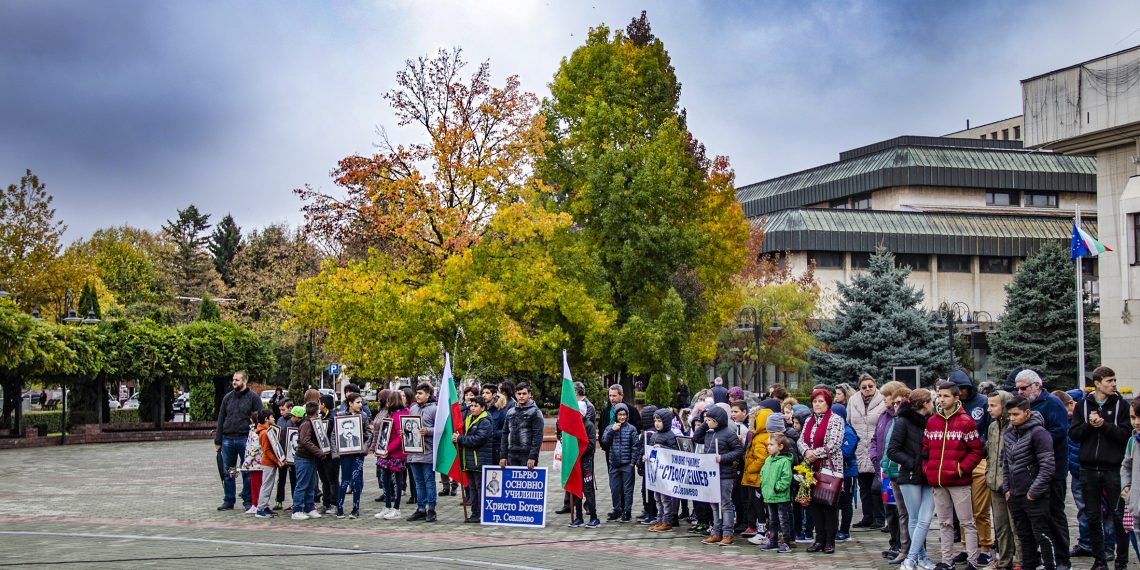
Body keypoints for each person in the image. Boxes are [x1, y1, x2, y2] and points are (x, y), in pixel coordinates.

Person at [1070, 365, 1130, 570]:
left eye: (1114, 381)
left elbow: (1124, 435)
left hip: (1113, 468)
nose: (1113, 384)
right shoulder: (1082, 406)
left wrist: (1104, 425)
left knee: (1118, 515)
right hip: (1088, 468)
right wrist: (1089, 424)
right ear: (1097, 383)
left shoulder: (1122, 405)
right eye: (1109, 381)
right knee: (1092, 516)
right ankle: (1099, 560)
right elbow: (1075, 434)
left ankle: (1121, 561)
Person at [1015, 368, 1072, 570]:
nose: (1020, 392)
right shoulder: (1022, 404)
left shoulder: (1053, 403)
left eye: (1023, 388)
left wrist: (1035, 439)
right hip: (1029, 471)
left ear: (1037, 385)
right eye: (1018, 389)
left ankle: (1063, 559)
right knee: (1037, 517)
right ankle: (1040, 557)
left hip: (1053, 469)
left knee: (1055, 514)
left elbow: (1060, 431)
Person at [925, 380, 984, 570]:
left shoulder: (966, 422)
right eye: (939, 396)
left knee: (967, 522)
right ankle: (947, 561)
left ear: (956, 398)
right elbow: (925, 450)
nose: (941, 400)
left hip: (959, 481)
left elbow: (976, 451)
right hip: (938, 481)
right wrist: (928, 469)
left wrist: (961, 468)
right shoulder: (932, 422)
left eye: (946, 396)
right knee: (944, 523)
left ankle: (973, 561)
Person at [1003, 395, 1057, 570]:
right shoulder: (1010, 432)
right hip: (1015, 494)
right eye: (1009, 415)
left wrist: (1033, 492)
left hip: (1034, 495)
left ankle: (1050, 566)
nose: (1012, 418)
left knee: (1042, 534)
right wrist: (1007, 489)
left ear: (1027, 413)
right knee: (1024, 536)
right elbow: (1005, 463)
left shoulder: (1039, 433)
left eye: (1015, 414)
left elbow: (1047, 466)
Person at [949, 369, 994, 567]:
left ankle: (985, 547)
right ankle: (967, 547)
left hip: (979, 460)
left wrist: (976, 444)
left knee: (980, 509)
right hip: (958, 461)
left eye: (963, 389)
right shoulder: (952, 406)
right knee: (963, 510)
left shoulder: (982, 403)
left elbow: (989, 431)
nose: (961, 393)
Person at [891, 389, 936, 570]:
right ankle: (916, 558)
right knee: (916, 518)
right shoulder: (903, 422)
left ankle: (914, 558)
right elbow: (892, 450)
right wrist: (914, 463)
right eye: (932, 401)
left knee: (924, 519)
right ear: (924, 403)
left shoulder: (930, 422)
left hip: (929, 474)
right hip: (910, 475)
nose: (934, 404)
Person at [798, 388, 845, 554]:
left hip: (829, 468)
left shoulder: (836, 420)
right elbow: (801, 440)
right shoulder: (809, 420)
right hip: (811, 469)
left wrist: (814, 453)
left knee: (829, 504)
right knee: (815, 504)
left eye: (821, 401)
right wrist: (806, 452)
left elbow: (835, 443)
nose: (817, 404)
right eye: (815, 401)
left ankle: (829, 541)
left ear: (828, 403)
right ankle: (819, 540)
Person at [695, 404, 745, 546]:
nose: (707, 422)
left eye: (710, 420)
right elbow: (696, 438)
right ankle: (716, 532)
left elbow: (738, 450)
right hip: (711, 475)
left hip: (725, 475)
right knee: (714, 504)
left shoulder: (729, 433)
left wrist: (722, 458)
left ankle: (727, 533)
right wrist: (705, 425)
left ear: (718, 421)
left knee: (725, 504)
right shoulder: (709, 432)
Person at [213, 370, 264, 511]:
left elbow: (260, 418)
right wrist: (218, 440)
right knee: (230, 472)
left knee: (247, 471)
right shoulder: (227, 398)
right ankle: (229, 500)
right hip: (228, 439)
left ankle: (248, 501)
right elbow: (221, 418)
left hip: (245, 440)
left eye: (237, 380)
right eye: (233, 379)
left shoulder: (253, 398)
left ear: (245, 381)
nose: (234, 382)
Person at [986, 390, 1021, 570]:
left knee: (1016, 525)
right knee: (1001, 526)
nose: (989, 409)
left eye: (993, 405)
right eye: (988, 405)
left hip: (1012, 485)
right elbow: (990, 454)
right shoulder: (992, 427)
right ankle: (1004, 560)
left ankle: (1020, 561)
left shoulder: (1014, 427)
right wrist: (988, 474)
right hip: (994, 483)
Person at [848, 373, 886, 530]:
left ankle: (879, 517)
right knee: (863, 486)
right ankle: (867, 516)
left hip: (876, 448)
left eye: (870, 385)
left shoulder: (883, 400)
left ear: (875, 384)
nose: (868, 389)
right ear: (859, 388)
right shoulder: (853, 401)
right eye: (864, 387)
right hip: (859, 449)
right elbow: (849, 422)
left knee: (877, 486)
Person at [455, 394, 492, 523]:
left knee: (480, 488)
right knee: (472, 489)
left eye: (476, 406)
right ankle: (474, 513)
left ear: (482, 408)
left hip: (479, 460)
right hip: (469, 460)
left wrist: (461, 439)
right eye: (471, 405)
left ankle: (481, 513)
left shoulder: (485, 421)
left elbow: (478, 439)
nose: (472, 408)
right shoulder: (469, 418)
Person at [602, 402, 640, 523]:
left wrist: (632, 463)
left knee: (628, 490)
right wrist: (611, 431)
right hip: (614, 464)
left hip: (627, 464)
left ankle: (627, 511)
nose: (622, 417)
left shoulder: (631, 429)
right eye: (620, 415)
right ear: (616, 416)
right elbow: (605, 443)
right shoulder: (610, 428)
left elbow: (635, 447)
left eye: (624, 414)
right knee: (615, 489)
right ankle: (617, 509)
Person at [335, 393, 371, 519]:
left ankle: (356, 508)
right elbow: (335, 435)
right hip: (345, 453)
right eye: (357, 402)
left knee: (356, 481)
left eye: (361, 402)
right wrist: (336, 452)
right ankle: (339, 507)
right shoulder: (340, 415)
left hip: (358, 453)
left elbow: (369, 433)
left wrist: (364, 448)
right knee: (344, 480)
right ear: (350, 403)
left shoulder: (363, 416)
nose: (360, 405)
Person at [374, 390, 408, 520]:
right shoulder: (392, 414)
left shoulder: (400, 415)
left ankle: (396, 508)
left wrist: (388, 449)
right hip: (387, 453)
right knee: (385, 480)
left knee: (397, 482)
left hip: (396, 454)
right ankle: (387, 506)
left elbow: (400, 437)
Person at [407, 383, 438, 522]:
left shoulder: (434, 409)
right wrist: (405, 431)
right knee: (418, 482)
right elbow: (409, 424)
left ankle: (431, 509)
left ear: (428, 394)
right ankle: (421, 508)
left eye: (420, 393)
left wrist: (428, 431)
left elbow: (441, 429)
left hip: (427, 451)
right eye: (416, 393)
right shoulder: (412, 409)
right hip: (413, 452)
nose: (417, 396)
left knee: (429, 481)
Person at [292, 401, 328, 520]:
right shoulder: (307, 424)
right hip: (303, 458)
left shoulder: (312, 422)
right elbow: (305, 441)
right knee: (302, 484)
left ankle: (309, 507)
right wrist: (320, 452)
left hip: (311, 458)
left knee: (311, 484)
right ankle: (297, 510)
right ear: (316, 411)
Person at [646, 408, 680, 531]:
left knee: (665, 499)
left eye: (659, 421)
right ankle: (659, 519)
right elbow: (650, 448)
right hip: (656, 473)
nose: (657, 423)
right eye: (655, 420)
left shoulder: (670, 435)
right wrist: (646, 456)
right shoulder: (654, 434)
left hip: (665, 473)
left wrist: (662, 447)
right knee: (657, 498)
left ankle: (667, 521)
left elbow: (675, 451)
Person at [761, 432, 795, 553]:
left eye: (771, 444)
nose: (768, 447)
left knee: (783, 520)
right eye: (768, 444)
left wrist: (777, 487)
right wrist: (764, 487)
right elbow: (763, 474)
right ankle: (773, 541)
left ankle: (786, 542)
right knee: (772, 520)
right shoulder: (768, 460)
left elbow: (786, 478)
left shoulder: (785, 461)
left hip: (780, 496)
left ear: (780, 446)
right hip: (769, 496)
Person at [742, 407, 772, 541]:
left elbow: (761, 459)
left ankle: (761, 531)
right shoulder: (765, 436)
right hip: (757, 478)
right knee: (757, 504)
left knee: (758, 504)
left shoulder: (760, 439)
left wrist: (750, 469)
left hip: (757, 478)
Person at [570, 399, 601, 529]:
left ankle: (594, 517)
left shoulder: (588, 426)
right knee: (576, 490)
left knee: (588, 490)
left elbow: (591, 446)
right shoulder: (572, 426)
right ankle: (578, 517)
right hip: (575, 463)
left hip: (586, 462)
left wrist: (578, 450)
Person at [498, 383, 543, 470]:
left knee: (528, 483)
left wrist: (533, 457)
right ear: (515, 394)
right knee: (511, 482)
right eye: (519, 394)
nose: (521, 396)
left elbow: (538, 436)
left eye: (524, 393)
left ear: (529, 394)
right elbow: (505, 433)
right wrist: (503, 455)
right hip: (511, 454)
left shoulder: (535, 412)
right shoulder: (510, 412)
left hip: (527, 455)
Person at [832, 404, 859, 543]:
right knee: (834, 503)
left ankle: (844, 530)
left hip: (847, 472)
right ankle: (834, 529)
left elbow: (846, 453)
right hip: (835, 472)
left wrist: (828, 452)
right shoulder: (834, 429)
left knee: (845, 502)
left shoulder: (847, 431)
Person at [1118, 399, 1140, 566]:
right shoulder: (1132, 441)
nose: (1136, 422)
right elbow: (1126, 466)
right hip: (1136, 507)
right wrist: (1126, 486)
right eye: (1133, 417)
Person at [254, 409, 281, 518]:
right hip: (268, 463)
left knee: (268, 485)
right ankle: (260, 509)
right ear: (266, 419)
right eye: (272, 417)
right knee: (266, 485)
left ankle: (264, 507)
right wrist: (277, 460)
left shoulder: (266, 431)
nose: (274, 419)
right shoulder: (265, 433)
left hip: (270, 463)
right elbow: (267, 450)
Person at [315, 394, 338, 514]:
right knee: (324, 479)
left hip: (331, 453)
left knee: (332, 479)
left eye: (319, 403)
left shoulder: (333, 417)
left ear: (323, 405)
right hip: (321, 453)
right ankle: (326, 502)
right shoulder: (323, 416)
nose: (319, 406)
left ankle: (334, 503)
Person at [273, 399, 296, 511]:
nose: (281, 412)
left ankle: (295, 501)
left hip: (292, 455)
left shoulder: (294, 420)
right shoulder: (280, 420)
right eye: (280, 410)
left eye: (283, 409)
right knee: (281, 479)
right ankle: (279, 500)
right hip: (281, 454)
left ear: (290, 408)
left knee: (294, 479)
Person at [482, 385, 508, 465]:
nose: (484, 395)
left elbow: (506, 431)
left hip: (496, 449)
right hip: (483, 449)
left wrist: (494, 433)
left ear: (494, 395)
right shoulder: (481, 409)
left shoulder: (501, 410)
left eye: (487, 393)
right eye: (483, 393)